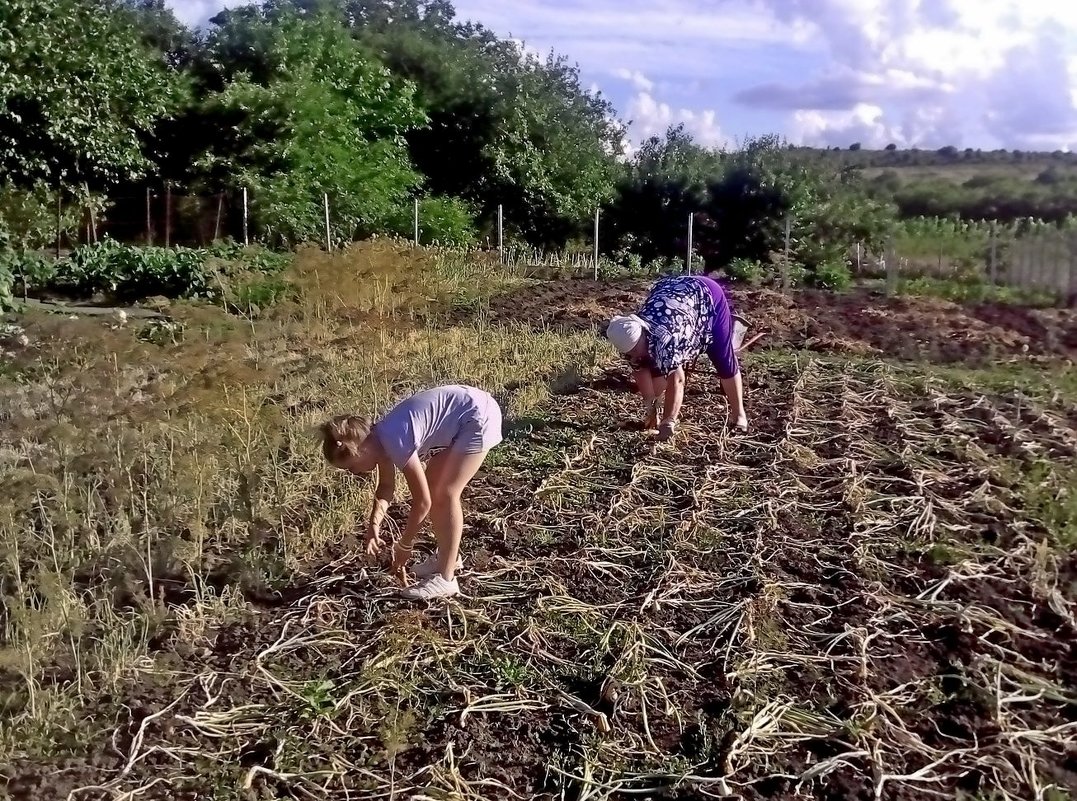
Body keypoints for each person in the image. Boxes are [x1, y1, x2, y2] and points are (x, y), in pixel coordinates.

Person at [318, 384, 503, 600]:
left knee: (444, 494)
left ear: (358, 449)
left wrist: (405, 545)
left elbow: (422, 502)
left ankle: (446, 579)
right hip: (470, 412)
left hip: (478, 416)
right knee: (435, 487)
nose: (353, 472)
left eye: (351, 466)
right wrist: (373, 526)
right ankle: (449, 558)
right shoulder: (380, 440)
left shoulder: (393, 438)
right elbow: (386, 488)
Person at [605, 274, 747, 440]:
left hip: (707, 295)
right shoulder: (629, 341)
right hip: (672, 289)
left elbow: (677, 380)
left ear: (644, 335)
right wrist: (651, 409)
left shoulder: (666, 339)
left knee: (723, 359)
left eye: (636, 350)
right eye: (630, 353)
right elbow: (641, 371)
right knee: (654, 367)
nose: (634, 355)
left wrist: (668, 421)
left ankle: (739, 416)